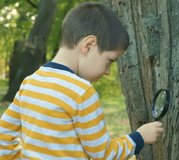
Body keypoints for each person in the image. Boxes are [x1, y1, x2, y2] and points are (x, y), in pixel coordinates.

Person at [0, 2, 164, 160]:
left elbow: (3, 135)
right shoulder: (81, 92)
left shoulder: (31, 82)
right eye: (109, 61)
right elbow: (104, 154)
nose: (107, 72)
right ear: (89, 45)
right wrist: (139, 137)